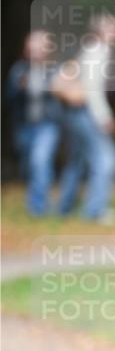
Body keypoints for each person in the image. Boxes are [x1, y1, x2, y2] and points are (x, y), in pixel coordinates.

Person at [58, 13, 115, 222]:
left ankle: (64, 209)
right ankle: (95, 210)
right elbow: (92, 89)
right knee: (107, 160)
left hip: (77, 114)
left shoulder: (90, 49)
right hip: (87, 112)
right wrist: (105, 117)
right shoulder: (99, 51)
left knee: (77, 162)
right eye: (111, 27)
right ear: (99, 32)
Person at [5, 30, 62, 214]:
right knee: (29, 165)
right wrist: (19, 87)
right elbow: (7, 98)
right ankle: (39, 201)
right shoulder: (19, 69)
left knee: (40, 160)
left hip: (48, 125)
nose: (37, 50)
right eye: (33, 46)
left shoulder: (55, 70)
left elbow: (63, 98)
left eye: (41, 46)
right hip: (24, 125)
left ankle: (38, 208)